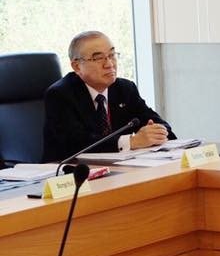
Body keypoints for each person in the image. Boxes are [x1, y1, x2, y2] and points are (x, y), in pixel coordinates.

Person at [43, 31, 174, 162]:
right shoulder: (60, 95)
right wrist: (132, 141)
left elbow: (157, 122)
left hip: (119, 167)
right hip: (69, 170)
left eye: (112, 55)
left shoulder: (125, 88)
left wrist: (157, 132)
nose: (109, 64)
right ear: (77, 66)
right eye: (99, 58)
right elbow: (77, 143)